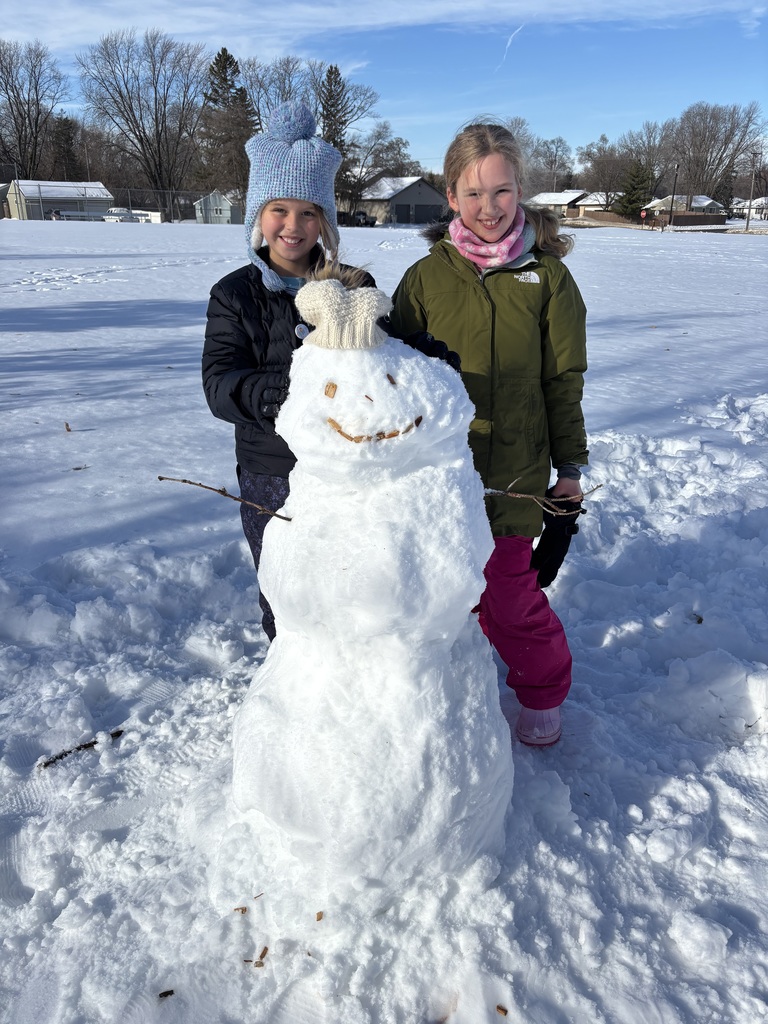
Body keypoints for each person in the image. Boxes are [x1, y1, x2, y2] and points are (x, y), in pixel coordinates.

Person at [389, 119, 589, 747]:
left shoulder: (549, 279)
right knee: (449, 587)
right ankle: (462, 681)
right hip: (443, 470)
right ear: (450, 196)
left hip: (516, 472)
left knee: (508, 594)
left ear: (520, 190)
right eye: (473, 194)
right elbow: (396, 377)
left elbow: (564, 380)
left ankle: (542, 686)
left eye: (501, 192)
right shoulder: (425, 280)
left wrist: (570, 466)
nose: (489, 208)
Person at [202, 100, 375, 642]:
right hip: (269, 471)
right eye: (279, 209)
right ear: (259, 217)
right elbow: (219, 384)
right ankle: (290, 694)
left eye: (308, 212)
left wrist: (427, 356)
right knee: (285, 588)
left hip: (344, 467)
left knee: (349, 585)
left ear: (324, 219)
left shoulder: (353, 284)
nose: (293, 226)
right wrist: (279, 393)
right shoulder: (234, 294)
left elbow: (384, 357)